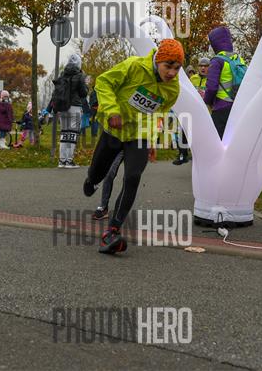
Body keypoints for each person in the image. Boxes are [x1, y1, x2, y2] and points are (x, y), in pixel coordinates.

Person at [83, 38, 184, 254]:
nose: (172, 73)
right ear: (158, 60)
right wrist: (112, 111)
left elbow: (158, 113)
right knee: (98, 172)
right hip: (115, 129)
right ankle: (91, 180)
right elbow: (103, 82)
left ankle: (113, 230)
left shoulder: (172, 89)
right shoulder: (134, 66)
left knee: (133, 176)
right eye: (168, 66)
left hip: (139, 135)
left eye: (177, 68)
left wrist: (152, 139)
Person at [204, 26, 245, 138]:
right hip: (238, 107)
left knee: (215, 141)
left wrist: (206, 101)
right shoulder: (239, 59)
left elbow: (211, 87)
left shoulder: (217, 61)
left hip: (221, 108)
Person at [56, 54, 88, 168]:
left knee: (64, 133)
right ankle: (69, 161)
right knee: (72, 133)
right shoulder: (80, 75)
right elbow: (83, 93)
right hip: (75, 106)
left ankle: (62, 160)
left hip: (63, 106)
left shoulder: (62, 75)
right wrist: (86, 85)